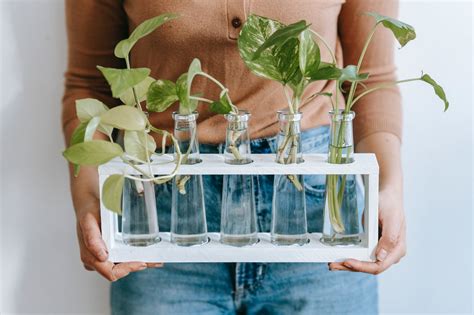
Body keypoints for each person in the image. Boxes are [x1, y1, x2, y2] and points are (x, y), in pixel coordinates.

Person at [62, 0, 406, 314]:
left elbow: (371, 80)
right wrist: (89, 198)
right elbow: (89, 83)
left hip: (318, 209)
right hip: (164, 212)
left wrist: (389, 188)